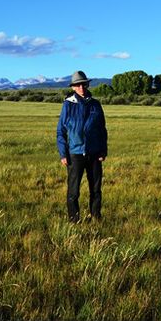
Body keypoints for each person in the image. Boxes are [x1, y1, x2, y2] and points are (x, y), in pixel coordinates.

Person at [56, 70, 108, 222]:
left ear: (87, 84)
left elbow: (102, 129)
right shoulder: (68, 105)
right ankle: (74, 220)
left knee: (96, 189)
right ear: (73, 87)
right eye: (78, 85)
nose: (81, 87)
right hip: (75, 153)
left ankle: (96, 217)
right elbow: (61, 131)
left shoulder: (95, 104)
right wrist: (63, 153)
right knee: (74, 191)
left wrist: (103, 150)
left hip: (94, 153)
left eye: (83, 84)